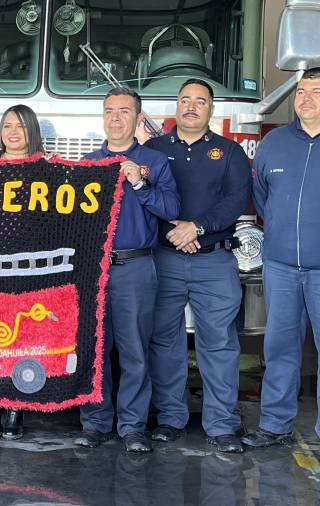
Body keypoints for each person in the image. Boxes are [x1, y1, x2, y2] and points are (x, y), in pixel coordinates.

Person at [145, 79, 251, 453]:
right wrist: (174, 231)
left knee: (220, 343)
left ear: (211, 109)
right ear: (176, 106)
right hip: (164, 258)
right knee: (164, 341)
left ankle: (221, 425)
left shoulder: (230, 152)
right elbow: (143, 200)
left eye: (200, 101)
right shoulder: (154, 149)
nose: (192, 106)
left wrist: (197, 227)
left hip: (215, 260)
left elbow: (236, 199)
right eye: (185, 100)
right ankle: (170, 418)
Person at [243, 67, 320, 460]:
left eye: (317, 92)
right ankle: (275, 425)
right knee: (279, 347)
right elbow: (261, 195)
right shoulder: (275, 143)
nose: (306, 98)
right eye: (301, 92)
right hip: (281, 265)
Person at [75, 88, 180, 452]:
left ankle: (133, 426)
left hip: (136, 266)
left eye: (124, 111)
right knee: (94, 348)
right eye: (109, 111)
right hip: (93, 269)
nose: (115, 118)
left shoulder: (155, 161)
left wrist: (139, 182)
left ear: (138, 118)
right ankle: (96, 422)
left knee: (135, 349)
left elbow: (170, 208)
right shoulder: (89, 163)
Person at [0, 104, 47, 440]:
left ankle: (16, 407)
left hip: (28, 269)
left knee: (21, 339)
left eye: (20, 126)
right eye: (7, 125)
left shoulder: (46, 171)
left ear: (31, 131)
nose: (13, 132)